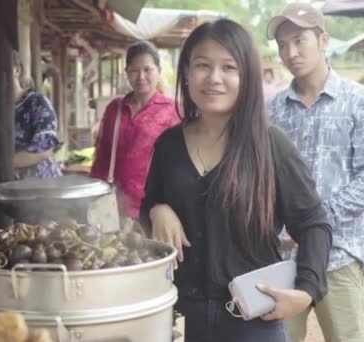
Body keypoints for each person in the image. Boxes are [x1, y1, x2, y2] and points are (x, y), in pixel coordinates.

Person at [139, 19, 332, 342]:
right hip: (188, 320)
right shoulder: (169, 145)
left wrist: (307, 290)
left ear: (247, 77)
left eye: (229, 67)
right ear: (185, 72)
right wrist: (158, 208)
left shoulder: (270, 145)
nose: (214, 78)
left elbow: (313, 222)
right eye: (203, 65)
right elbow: (145, 212)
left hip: (255, 320)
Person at [267, 3, 364, 342]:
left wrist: (311, 222)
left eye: (298, 41)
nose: (290, 52)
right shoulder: (273, 110)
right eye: (282, 45)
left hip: (338, 255)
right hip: (283, 258)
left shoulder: (356, 101)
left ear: (323, 40)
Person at [90, 40, 179, 229]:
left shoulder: (173, 111)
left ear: (159, 71)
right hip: (114, 207)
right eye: (134, 70)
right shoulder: (115, 108)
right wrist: (93, 194)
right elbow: (102, 156)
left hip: (154, 207)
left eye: (148, 70)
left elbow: (179, 163)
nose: (141, 77)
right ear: (126, 73)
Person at [0, 50, 62, 180]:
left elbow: (43, 149)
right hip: (1, 188)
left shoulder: (36, 103)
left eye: (0, 66)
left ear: (17, 70)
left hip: (40, 186)